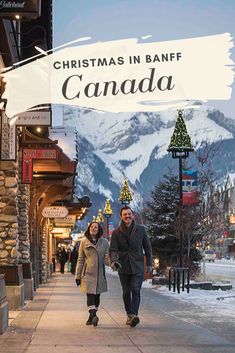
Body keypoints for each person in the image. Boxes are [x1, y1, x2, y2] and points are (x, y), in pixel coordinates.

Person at [110, 206, 152, 327]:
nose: (127, 216)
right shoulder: (116, 233)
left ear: (133, 215)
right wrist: (114, 261)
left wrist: (149, 263)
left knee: (135, 289)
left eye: (129, 214)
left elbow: (147, 247)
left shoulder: (141, 230)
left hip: (138, 265)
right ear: (121, 216)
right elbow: (113, 249)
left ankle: (134, 314)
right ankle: (129, 314)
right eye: (125, 215)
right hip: (123, 266)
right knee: (126, 291)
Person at [75, 222, 110, 326]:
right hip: (88, 274)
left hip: (99, 274)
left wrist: (113, 264)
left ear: (99, 230)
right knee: (90, 295)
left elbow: (107, 258)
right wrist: (78, 276)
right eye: (92, 227)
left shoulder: (104, 242)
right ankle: (94, 315)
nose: (93, 228)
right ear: (88, 228)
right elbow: (80, 260)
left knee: (97, 297)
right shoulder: (83, 242)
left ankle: (91, 317)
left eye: (96, 227)